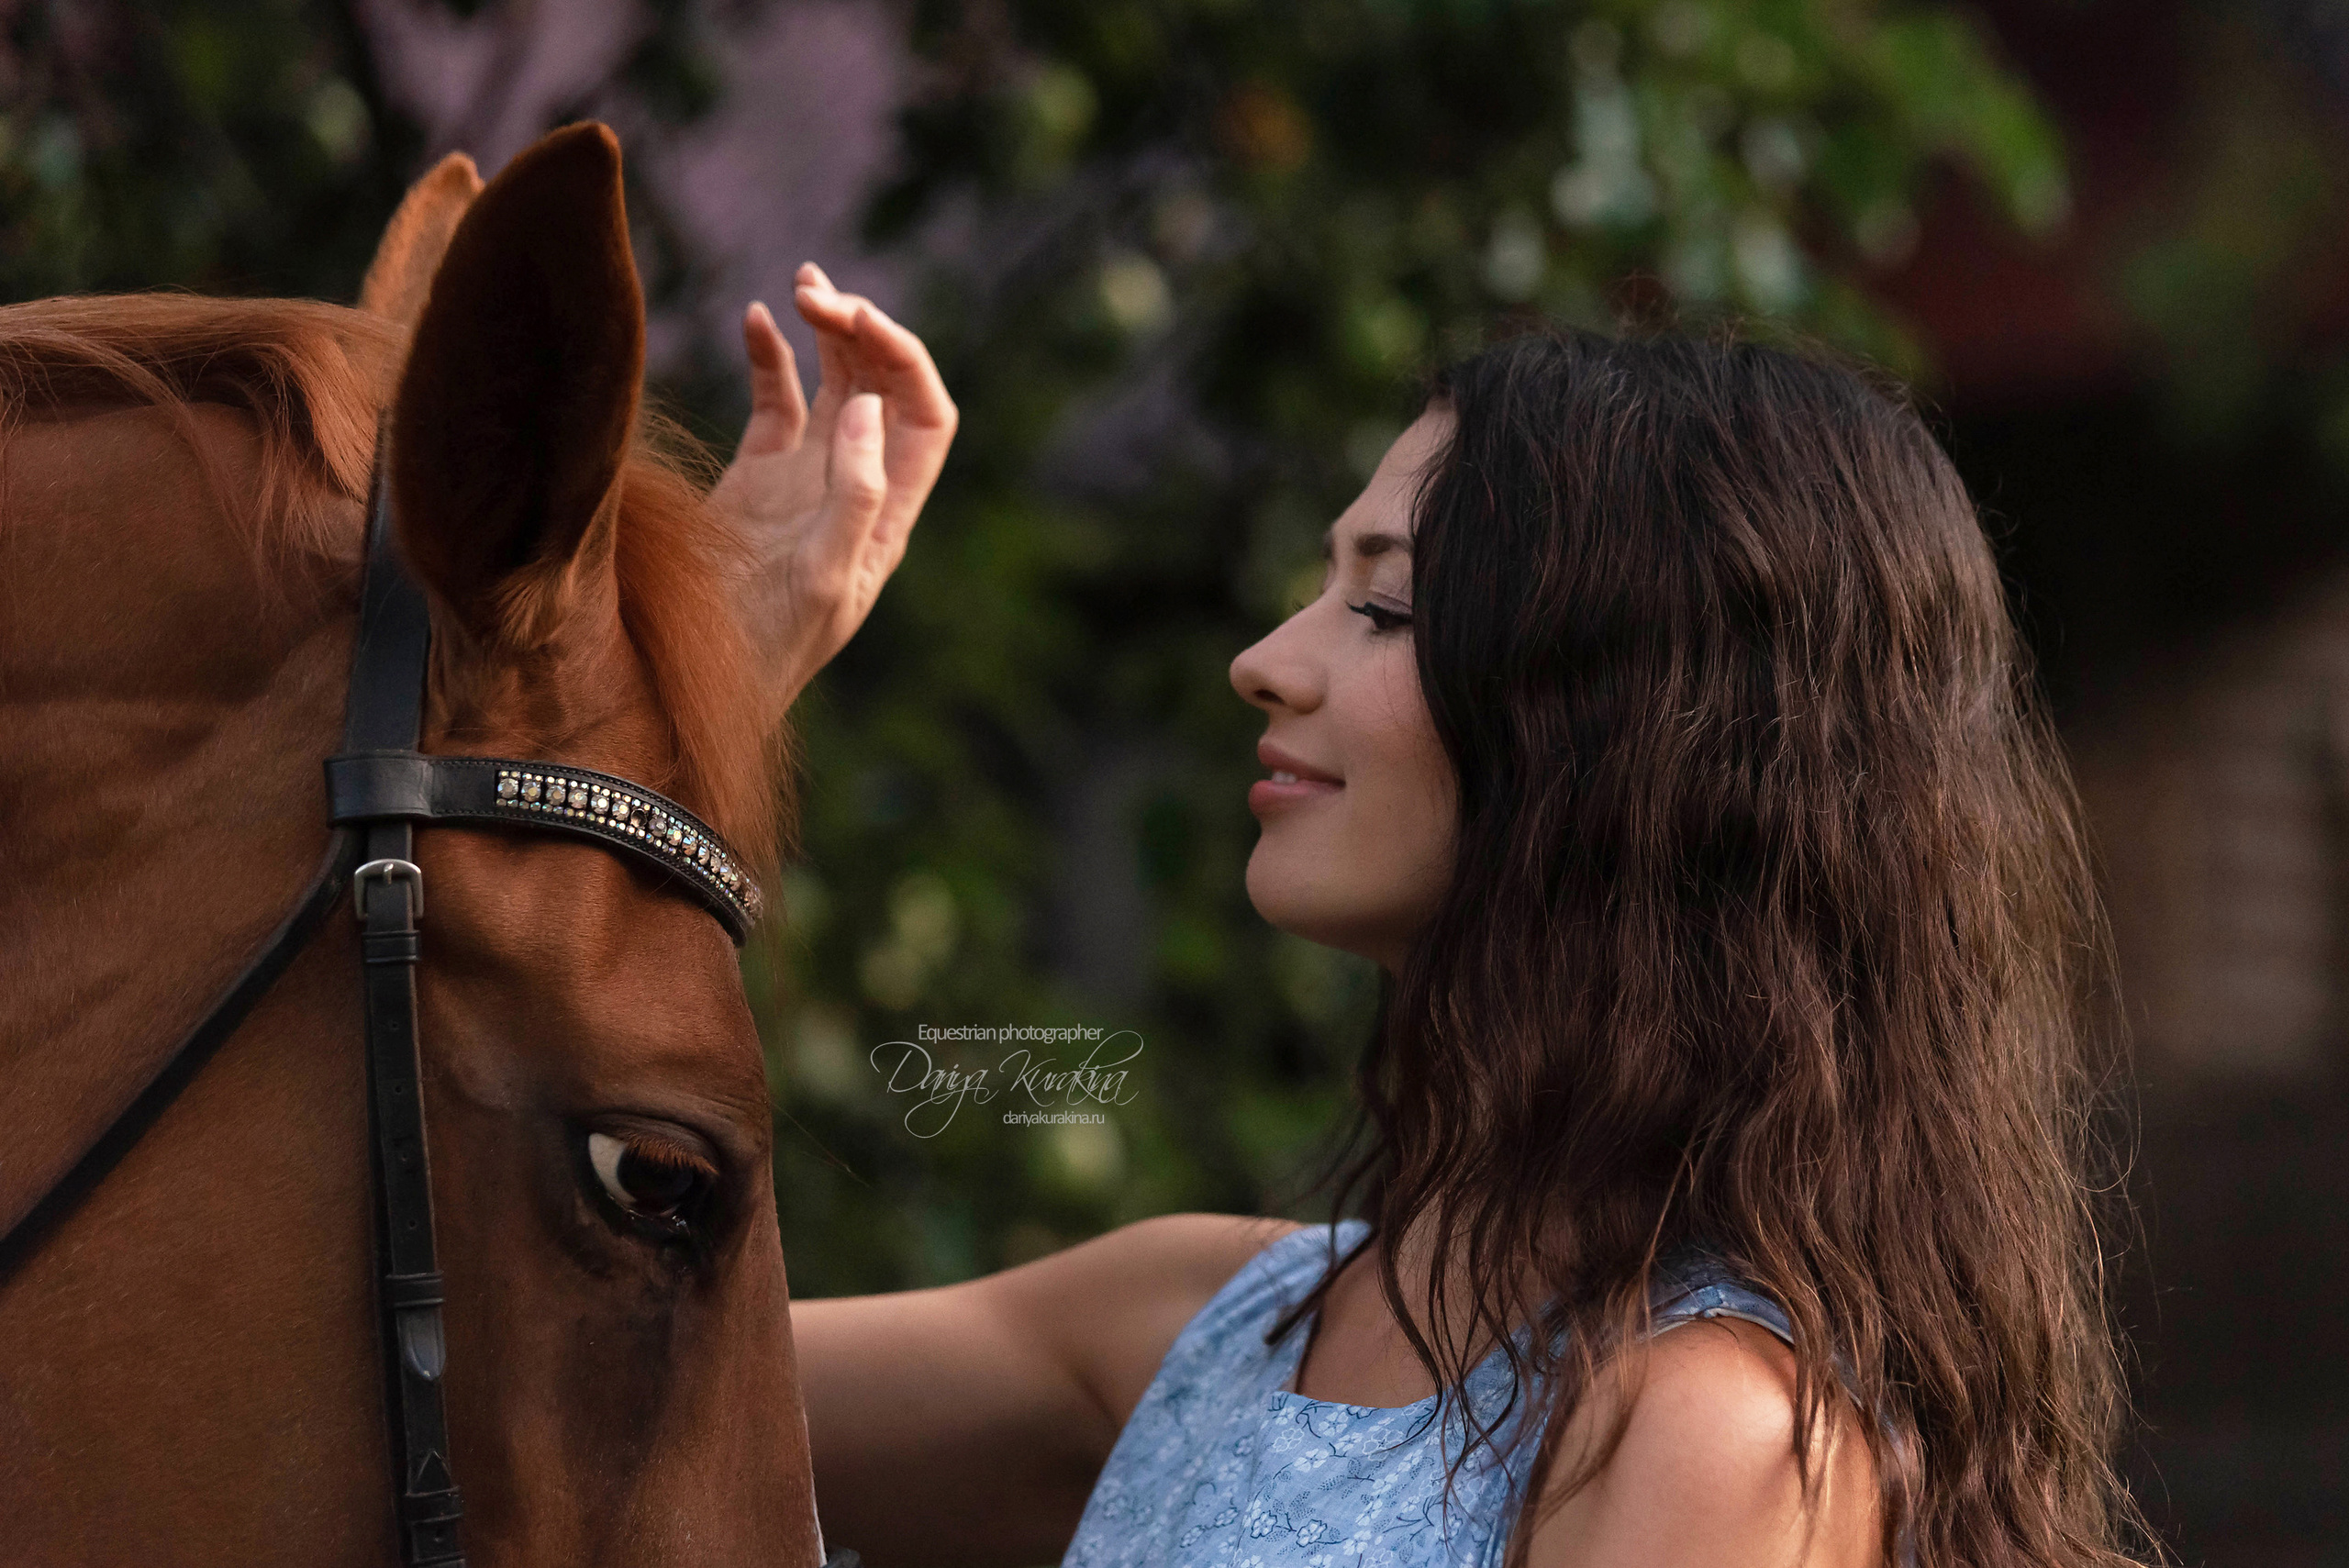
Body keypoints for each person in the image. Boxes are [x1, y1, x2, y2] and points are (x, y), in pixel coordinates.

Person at [724, 302, 2143, 1568]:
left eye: (1385, 606)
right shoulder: (1212, 1326)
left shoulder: (1711, 1430)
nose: (1265, 661)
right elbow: (612, 1370)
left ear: (1632, 733)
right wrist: (710, 664)